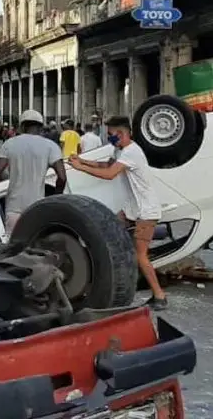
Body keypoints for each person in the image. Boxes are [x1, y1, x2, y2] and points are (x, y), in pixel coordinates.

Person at [69, 116, 167, 310]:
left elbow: (109, 174)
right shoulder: (120, 150)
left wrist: (81, 168)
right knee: (108, 232)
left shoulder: (131, 152)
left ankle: (160, 296)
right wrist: (82, 161)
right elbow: (106, 165)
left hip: (146, 211)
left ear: (121, 133)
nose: (109, 138)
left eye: (111, 135)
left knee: (140, 255)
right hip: (132, 209)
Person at [0, 110, 67, 233]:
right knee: (34, 248)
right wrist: (56, 198)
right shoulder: (51, 146)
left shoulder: (10, 144)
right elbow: (62, 177)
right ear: (40, 127)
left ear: (22, 126)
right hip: (36, 208)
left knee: (12, 248)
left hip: (14, 207)